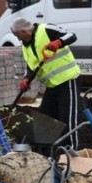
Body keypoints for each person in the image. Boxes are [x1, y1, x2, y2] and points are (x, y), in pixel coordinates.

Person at [12, 17, 81, 149]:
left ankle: (71, 152)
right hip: (52, 85)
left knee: (68, 119)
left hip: (68, 81)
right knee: (44, 118)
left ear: (25, 30)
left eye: (17, 34)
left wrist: (58, 42)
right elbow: (32, 66)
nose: (18, 38)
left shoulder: (46, 29)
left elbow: (72, 35)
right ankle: (46, 153)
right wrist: (27, 78)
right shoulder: (25, 46)